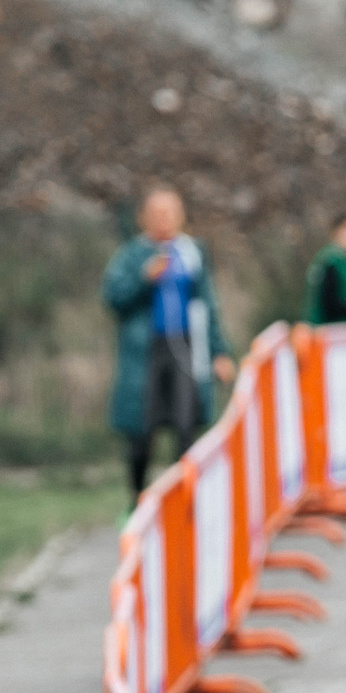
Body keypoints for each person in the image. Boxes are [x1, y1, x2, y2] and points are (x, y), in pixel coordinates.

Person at [102, 187, 236, 501]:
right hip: (145, 353)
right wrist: (143, 278)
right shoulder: (132, 254)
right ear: (143, 217)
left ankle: (185, 501)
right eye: (157, 212)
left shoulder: (191, 252)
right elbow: (112, 297)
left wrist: (219, 351)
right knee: (141, 429)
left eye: (170, 211)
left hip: (186, 347)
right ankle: (136, 498)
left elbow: (208, 305)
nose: (164, 218)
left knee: (185, 422)